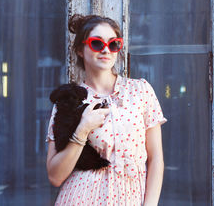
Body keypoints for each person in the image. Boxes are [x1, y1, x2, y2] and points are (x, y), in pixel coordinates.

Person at [46, 14, 167, 206]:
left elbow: (156, 158)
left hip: (132, 199)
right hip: (81, 198)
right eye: (96, 43)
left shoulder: (140, 91)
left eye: (113, 44)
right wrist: (83, 130)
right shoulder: (69, 101)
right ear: (79, 49)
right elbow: (55, 176)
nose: (105, 50)